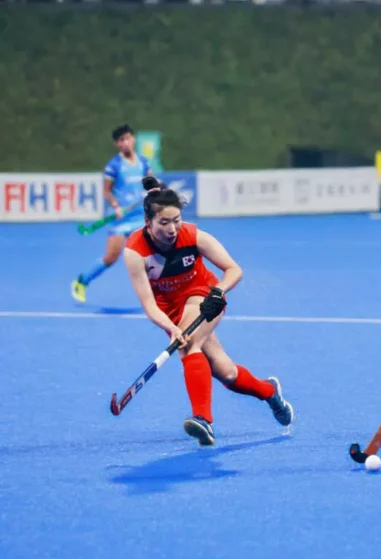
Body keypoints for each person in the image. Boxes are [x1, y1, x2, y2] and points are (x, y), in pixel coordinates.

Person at [123, 176, 294, 446]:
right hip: (170, 310)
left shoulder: (193, 236)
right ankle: (270, 391)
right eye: (164, 222)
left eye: (176, 220)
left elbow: (234, 269)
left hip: (203, 296)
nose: (172, 229)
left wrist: (219, 291)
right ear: (148, 223)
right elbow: (149, 305)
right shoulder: (135, 252)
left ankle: (203, 419)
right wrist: (171, 327)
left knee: (188, 346)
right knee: (226, 373)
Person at [72, 125, 152, 303]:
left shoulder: (144, 162)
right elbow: (106, 192)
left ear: (133, 139)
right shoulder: (114, 166)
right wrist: (116, 206)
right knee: (111, 257)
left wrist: (153, 191)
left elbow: (151, 182)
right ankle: (82, 281)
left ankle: (161, 295)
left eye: (128, 138)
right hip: (121, 218)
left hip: (140, 216)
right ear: (117, 144)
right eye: (121, 140)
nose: (126, 143)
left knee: (151, 254)